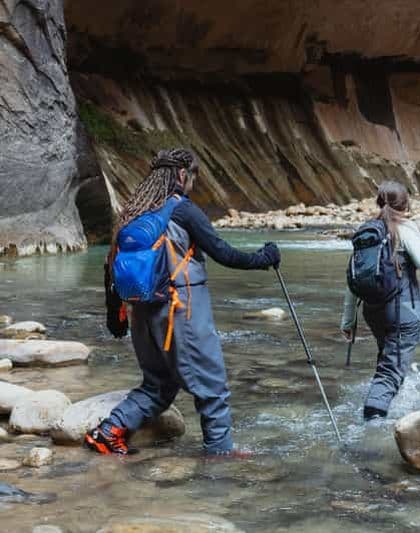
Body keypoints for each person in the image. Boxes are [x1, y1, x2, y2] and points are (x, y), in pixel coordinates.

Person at [85, 148, 280, 456]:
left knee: (158, 385)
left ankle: (108, 432)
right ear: (181, 174)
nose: (194, 182)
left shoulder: (134, 213)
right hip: (180, 312)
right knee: (212, 387)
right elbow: (224, 253)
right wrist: (265, 257)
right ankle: (220, 457)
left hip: (141, 314)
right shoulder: (182, 210)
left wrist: (116, 315)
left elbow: (111, 264)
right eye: (194, 175)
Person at [340, 181, 420, 420]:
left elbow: (353, 278)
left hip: (373, 311)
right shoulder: (404, 228)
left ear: (379, 202)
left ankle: (384, 404)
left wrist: (348, 321)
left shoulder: (368, 232)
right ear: (406, 204)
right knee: (391, 371)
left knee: (387, 360)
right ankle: (373, 423)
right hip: (403, 311)